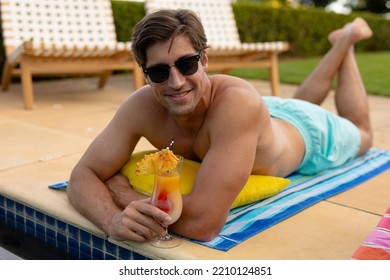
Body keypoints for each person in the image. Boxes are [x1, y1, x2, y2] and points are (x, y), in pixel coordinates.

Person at [67, 9, 373, 243]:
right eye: (159, 72)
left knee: (362, 132)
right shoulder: (141, 105)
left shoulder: (237, 105)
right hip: (269, 113)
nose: (175, 82)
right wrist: (112, 222)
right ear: (145, 75)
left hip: (312, 136)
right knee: (298, 101)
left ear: (205, 60)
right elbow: (83, 175)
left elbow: (204, 224)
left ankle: (346, 41)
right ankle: (341, 43)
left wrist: (122, 195)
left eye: (186, 64)